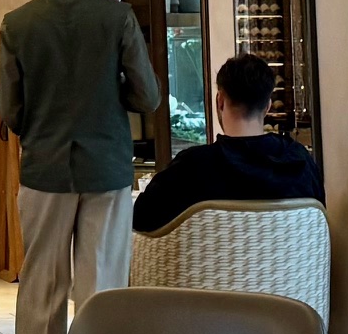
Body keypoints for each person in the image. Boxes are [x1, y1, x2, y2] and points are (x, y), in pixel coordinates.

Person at [0, 0, 160, 334]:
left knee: (42, 284)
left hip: (44, 168)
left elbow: (11, 111)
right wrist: (110, 95)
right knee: (101, 285)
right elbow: (148, 96)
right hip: (106, 167)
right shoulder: (118, 18)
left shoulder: (18, 24)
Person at [131, 54, 323, 234]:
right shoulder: (299, 160)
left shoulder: (192, 166)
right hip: (291, 260)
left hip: (210, 260)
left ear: (220, 101)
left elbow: (140, 219)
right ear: (267, 107)